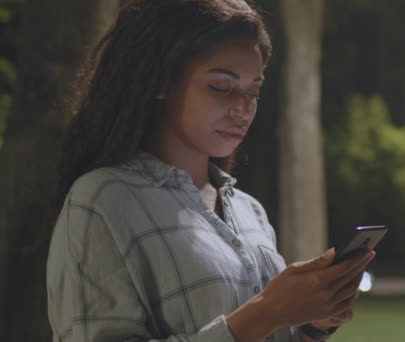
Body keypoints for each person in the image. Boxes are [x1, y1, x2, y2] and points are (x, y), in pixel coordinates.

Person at [46, 0, 375, 341]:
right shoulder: (103, 202)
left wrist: (313, 325)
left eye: (253, 91)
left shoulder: (251, 213)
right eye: (221, 87)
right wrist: (266, 311)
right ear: (160, 80)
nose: (243, 109)